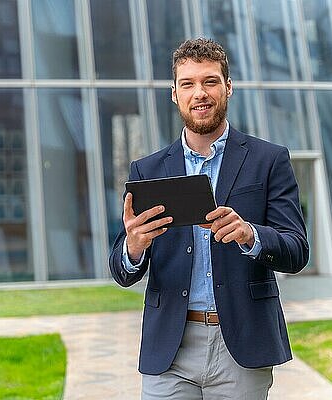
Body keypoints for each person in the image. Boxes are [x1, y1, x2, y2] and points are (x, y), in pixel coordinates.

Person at [108, 38, 309, 399]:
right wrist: (133, 248)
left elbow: (296, 250)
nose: (199, 93)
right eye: (188, 84)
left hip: (243, 345)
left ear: (228, 87)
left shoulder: (269, 160)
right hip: (169, 347)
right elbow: (121, 270)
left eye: (210, 81)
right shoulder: (148, 170)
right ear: (174, 94)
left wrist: (251, 235)